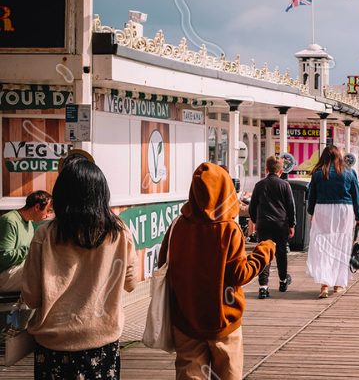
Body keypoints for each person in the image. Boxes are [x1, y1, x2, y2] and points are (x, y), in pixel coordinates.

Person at [22, 160, 138, 379]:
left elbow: (31, 297)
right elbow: (131, 284)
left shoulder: (44, 234)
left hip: (54, 345)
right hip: (103, 341)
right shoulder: (121, 232)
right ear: (102, 193)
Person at [159, 163, 275, 380]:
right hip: (224, 321)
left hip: (186, 320)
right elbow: (240, 274)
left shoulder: (178, 226)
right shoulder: (228, 229)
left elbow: (163, 266)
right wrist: (265, 251)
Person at [306, 146, 359, 298]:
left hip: (322, 208)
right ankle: (338, 284)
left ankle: (324, 284)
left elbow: (312, 195)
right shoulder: (349, 172)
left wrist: (311, 212)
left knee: (323, 245)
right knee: (341, 244)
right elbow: (356, 196)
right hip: (344, 209)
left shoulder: (318, 173)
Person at [249, 156, 296, 299]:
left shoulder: (259, 185)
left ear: (266, 170)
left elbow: (252, 206)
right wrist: (292, 224)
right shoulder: (285, 185)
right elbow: (290, 207)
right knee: (281, 253)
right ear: (281, 171)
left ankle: (263, 287)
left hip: (263, 223)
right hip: (280, 223)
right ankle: (282, 281)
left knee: (264, 254)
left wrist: (255, 221)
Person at [0, 191, 53, 293]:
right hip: (4, 276)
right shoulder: (9, 221)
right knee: (43, 269)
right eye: (48, 211)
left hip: (18, 273)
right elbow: (3, 257)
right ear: (37, 207)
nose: (48, 216)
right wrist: (33, 249)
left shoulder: (29, 225)